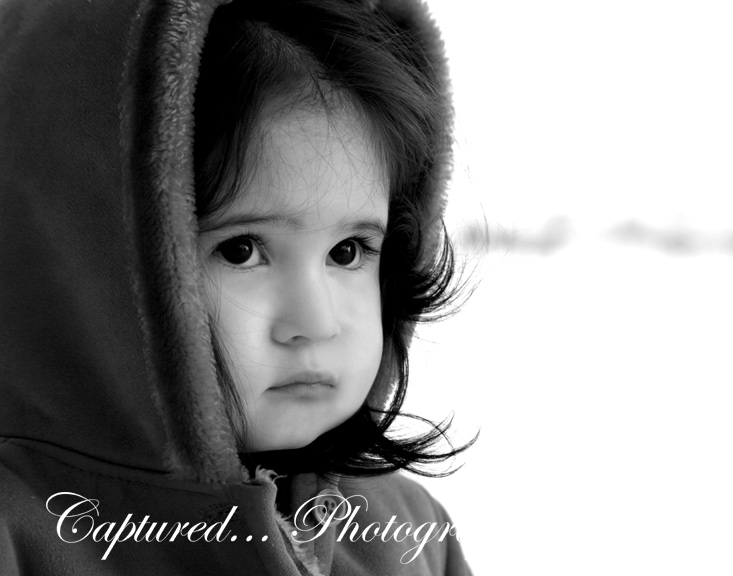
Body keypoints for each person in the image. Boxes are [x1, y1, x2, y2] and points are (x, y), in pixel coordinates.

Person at [0, 0, 474, 574]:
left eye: (347, 251)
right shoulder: (21, 535)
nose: (317, 323)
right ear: (87, 260)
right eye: (242, 250)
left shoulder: (408, 535)